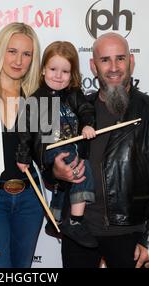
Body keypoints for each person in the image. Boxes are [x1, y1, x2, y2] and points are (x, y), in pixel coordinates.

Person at [0, 22, 78, 268]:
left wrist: (58, 170)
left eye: (27, 54)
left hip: (30, 201)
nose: (18, 60)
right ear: (0, 51)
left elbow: (47, 156)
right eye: (12, 51)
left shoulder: (40, 99)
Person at [57, 32, 149, 268]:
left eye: (120, 59)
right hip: (79, 231)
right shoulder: (76, 110)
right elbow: (53, 163)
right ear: (93, 66)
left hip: (131, 235)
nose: (113, 67)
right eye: (105, 60)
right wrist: (56, 171)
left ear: (131, 62)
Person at [15, 41, 98, 248]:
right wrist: (23, 157)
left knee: (64, 184)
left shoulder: (74, 95)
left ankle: (56, 219)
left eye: (65, 71)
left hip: (72, 146)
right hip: (50, 149)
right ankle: (76, 221)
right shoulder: (36, 99)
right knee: (81, 169)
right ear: (43, 69)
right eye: (53, 69)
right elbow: (24, 130)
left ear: (72, 74)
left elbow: (87, 110)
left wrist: (88, 124)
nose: (58, 76)